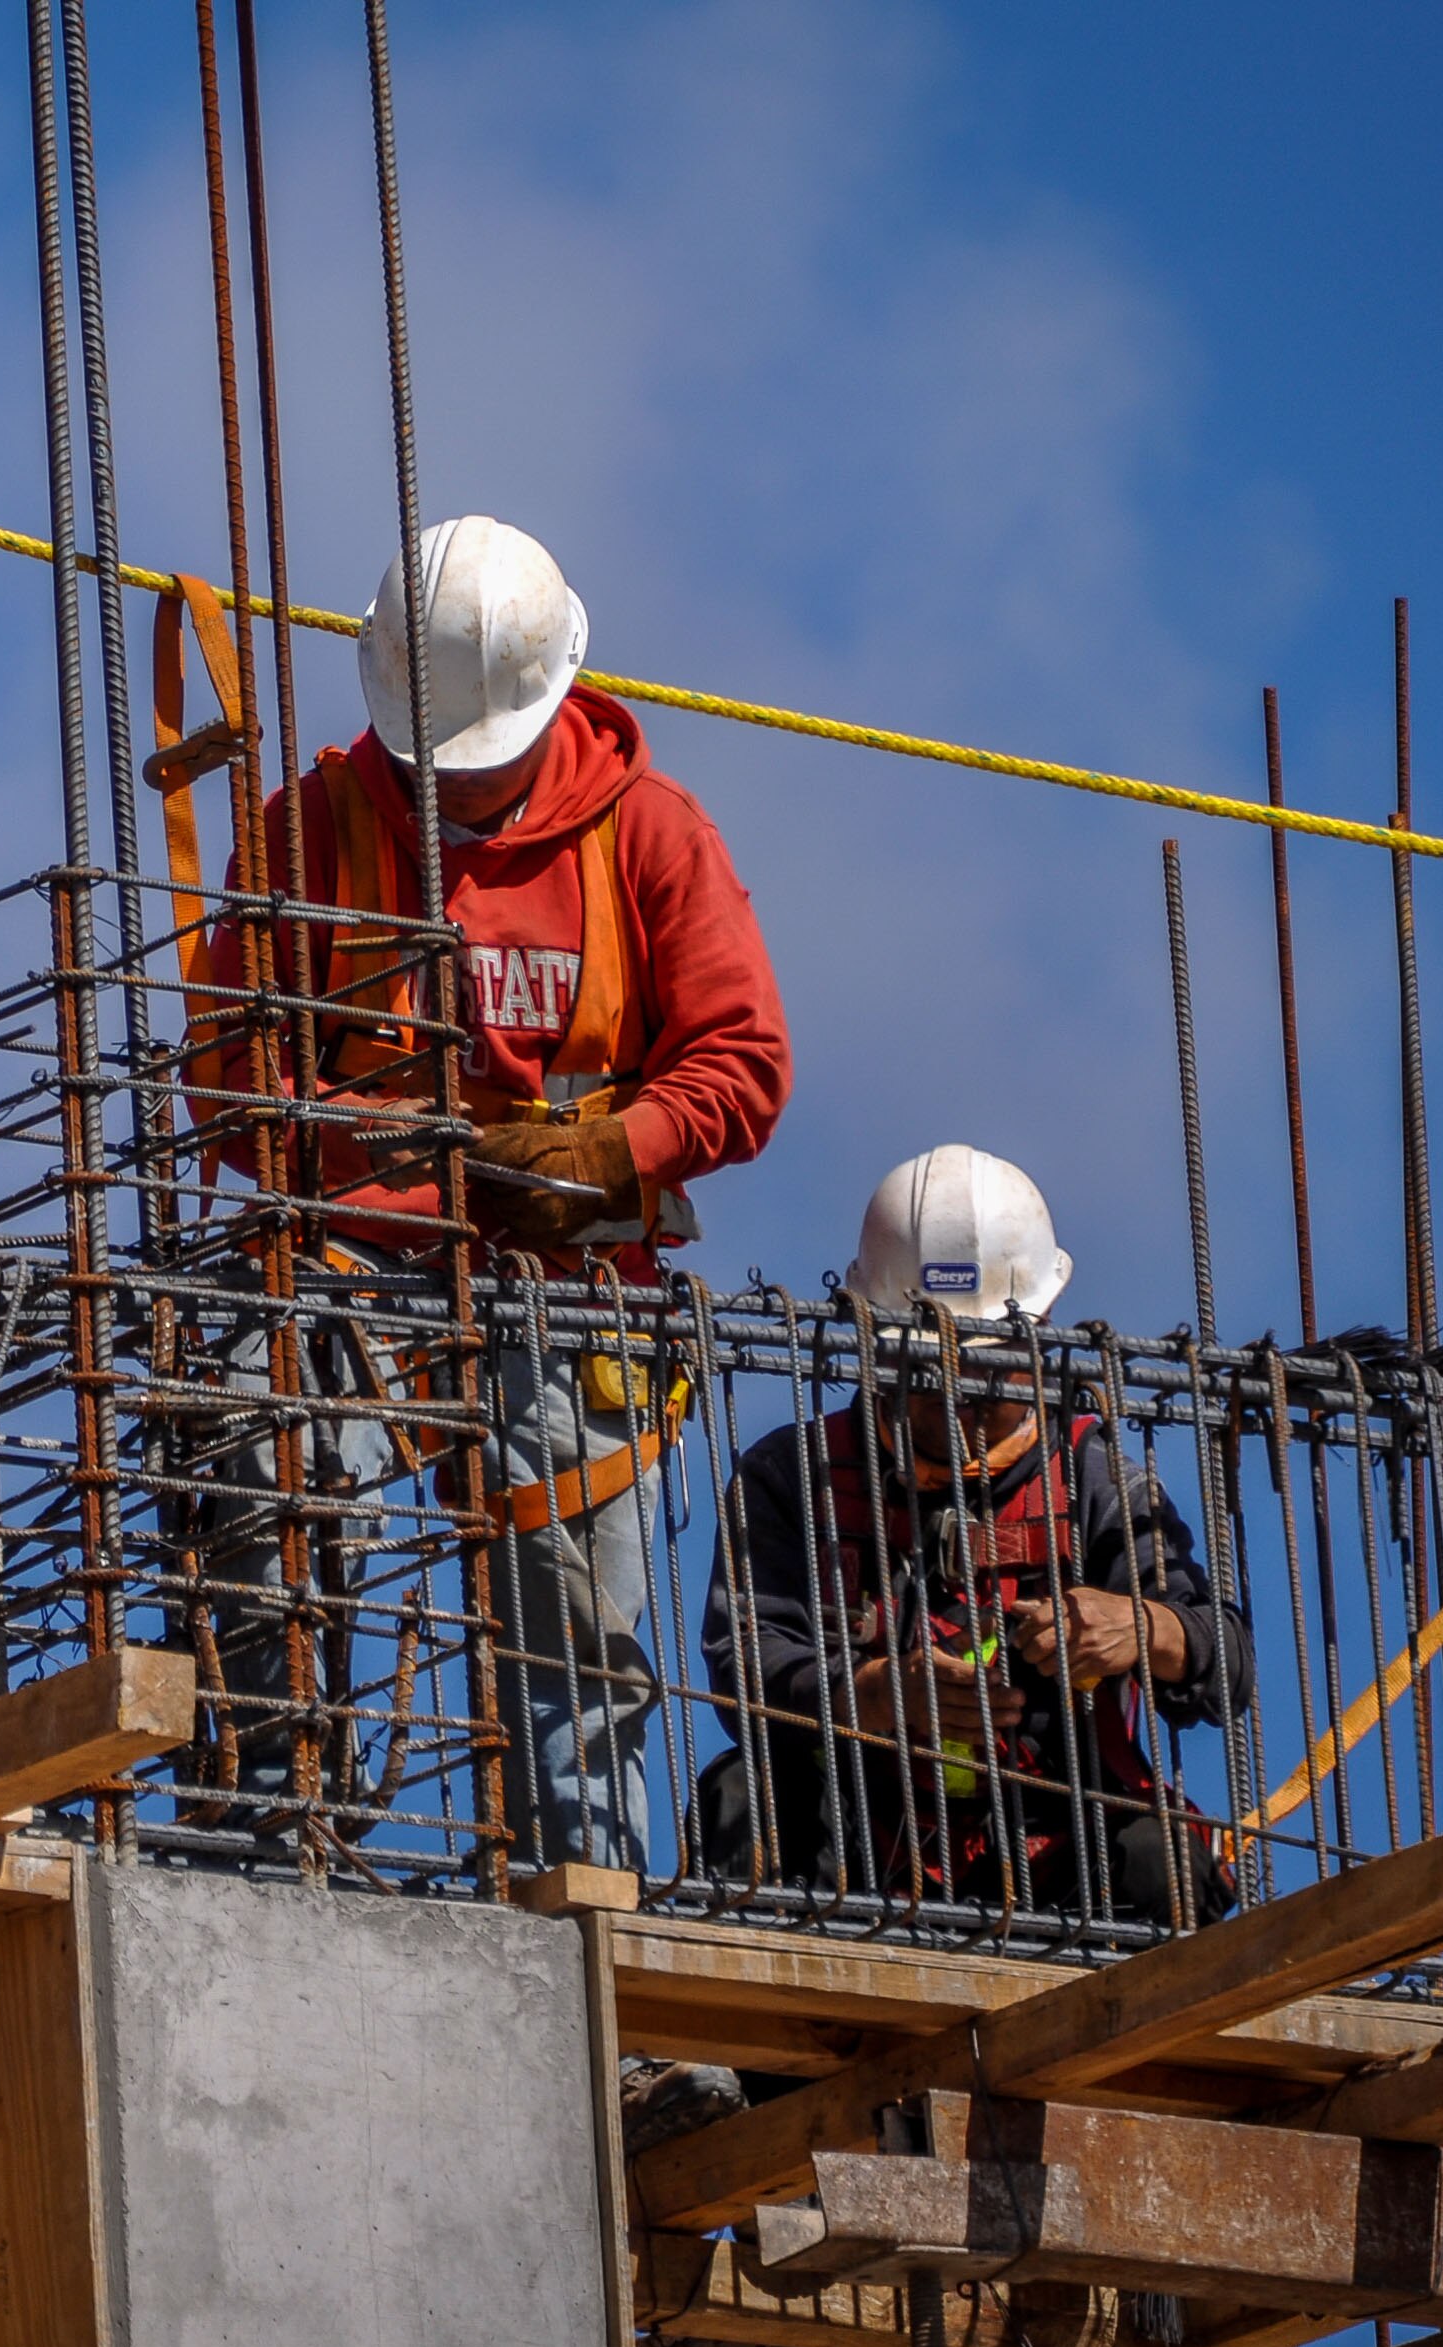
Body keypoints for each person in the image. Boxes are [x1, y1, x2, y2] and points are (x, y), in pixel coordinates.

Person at [183, 515, 789, 1871]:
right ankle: (282, 1827)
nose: (449, 784)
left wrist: (606, 1154)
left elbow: (745, 1064)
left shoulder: (647, 833)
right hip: (356, 1278)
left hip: (572, 1292)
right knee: (259, 1457)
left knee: (574, 1645)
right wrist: (403, 1153)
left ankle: (586, 1910)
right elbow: (227, 1079)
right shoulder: (314, 831)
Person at [698, 1145, 1250, 1927]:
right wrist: (878, 1692)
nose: (959, 1398)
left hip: (1051, 1841)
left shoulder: (1091, 1478)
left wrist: (1142, 1628)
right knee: (739, 1797)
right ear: (875, 1343)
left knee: (1164, 1863)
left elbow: (1225, 1660)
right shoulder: (795, 1475)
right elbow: (746, 1664)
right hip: (856, 1840)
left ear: (1037, 1337)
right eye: (929, 1369)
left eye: (985, 1369)